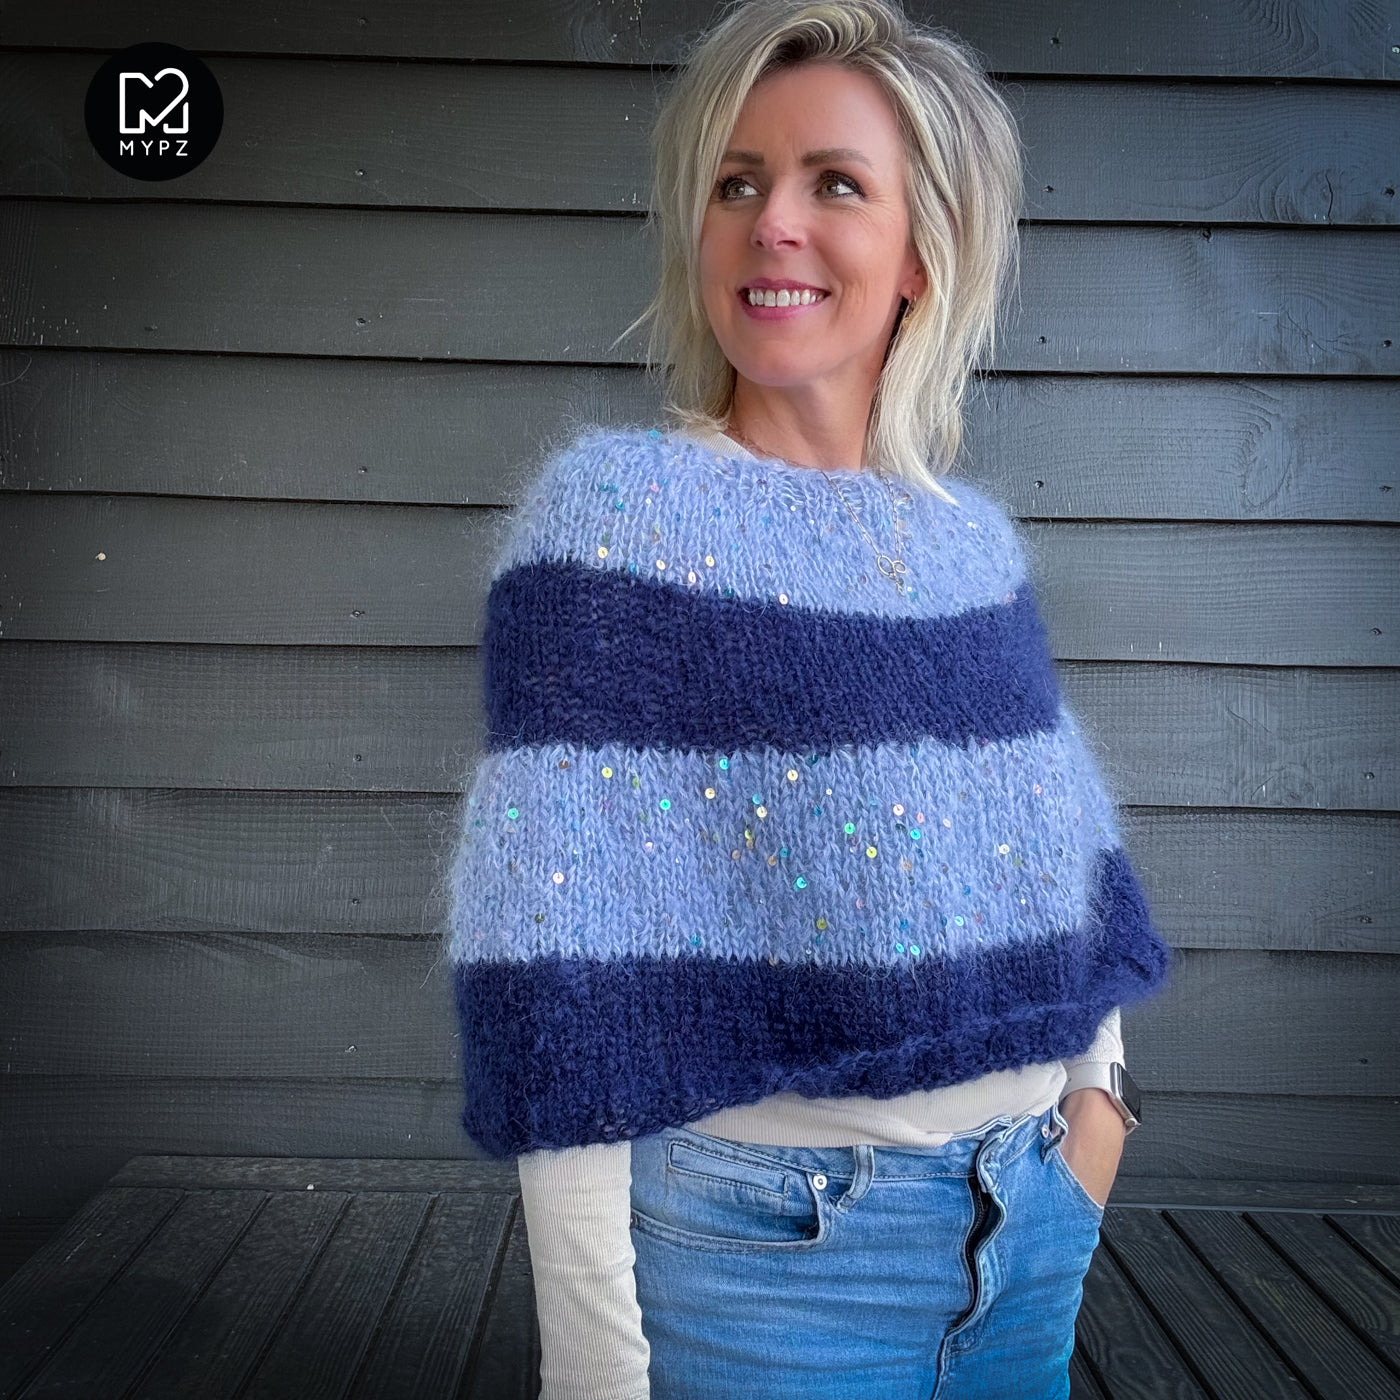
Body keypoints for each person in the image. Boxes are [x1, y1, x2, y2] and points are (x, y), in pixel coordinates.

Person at [443, 1, 1172, 1395]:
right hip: (767, 1269)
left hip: (1029, 1228)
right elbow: (560, 988)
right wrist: (594, 1373)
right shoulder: (615, 528)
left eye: (835, 183)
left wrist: (1098, 1123)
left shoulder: (967, 546)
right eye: (737, 184)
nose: (772, 222)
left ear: (923, 250)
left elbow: (1061, 878)